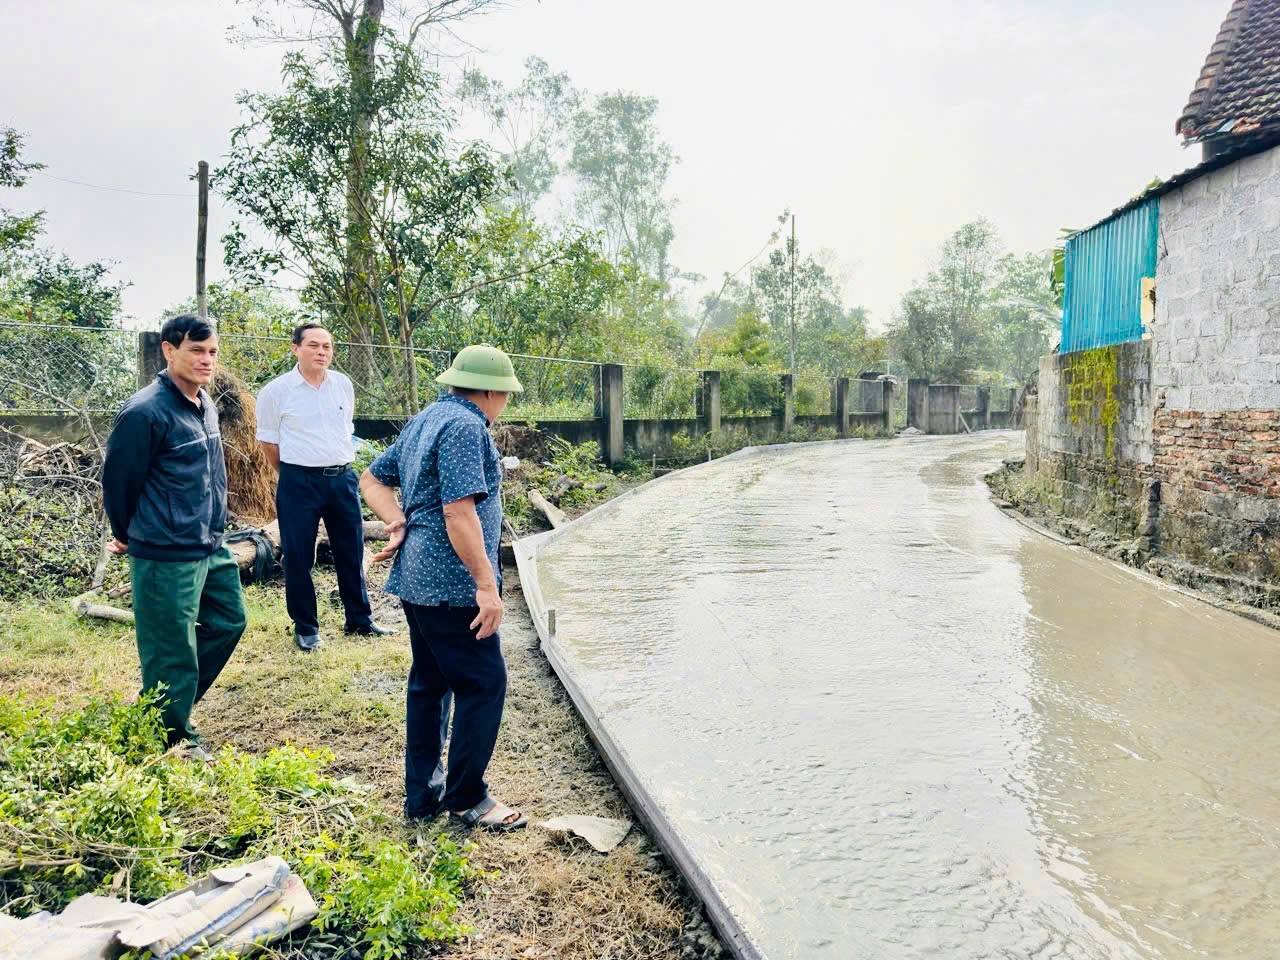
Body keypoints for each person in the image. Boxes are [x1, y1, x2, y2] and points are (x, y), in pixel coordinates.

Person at [359, 344, 526, 830]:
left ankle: (423, 796)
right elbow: (459, 511)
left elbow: (371, 479)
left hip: (417, 579)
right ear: (492, 391)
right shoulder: (466, 426)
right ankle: (467, 797)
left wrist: (397, 522)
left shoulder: (428, 418)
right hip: (451, 584)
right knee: (483, 682)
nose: (505, 404)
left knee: (430, 684)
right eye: (506, 395)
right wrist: (486, 585)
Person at [102, 313, 246, 760]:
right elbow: (119, 483)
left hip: (208, 543)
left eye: (213, 352)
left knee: (229, 620)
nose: (207, 360)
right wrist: (126, 534)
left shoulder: (204, 404)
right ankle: (171, 737)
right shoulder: (146, 411)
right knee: (170, 648)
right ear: (169, 350)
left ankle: (161, 710)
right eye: (196, 351)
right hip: (165, 551)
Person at [255, 322, 393, 651]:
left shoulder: (342, 385)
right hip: (298, 481)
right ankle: (306, 627)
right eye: (314, 345)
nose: (322, 352)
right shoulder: (276, 392)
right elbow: (269, 443)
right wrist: (294, 472)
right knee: (299, 555)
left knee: (351, 549)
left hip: (342, 479)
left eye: (327, 346)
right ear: (295, 348)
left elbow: (345, 430)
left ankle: (359, 619)